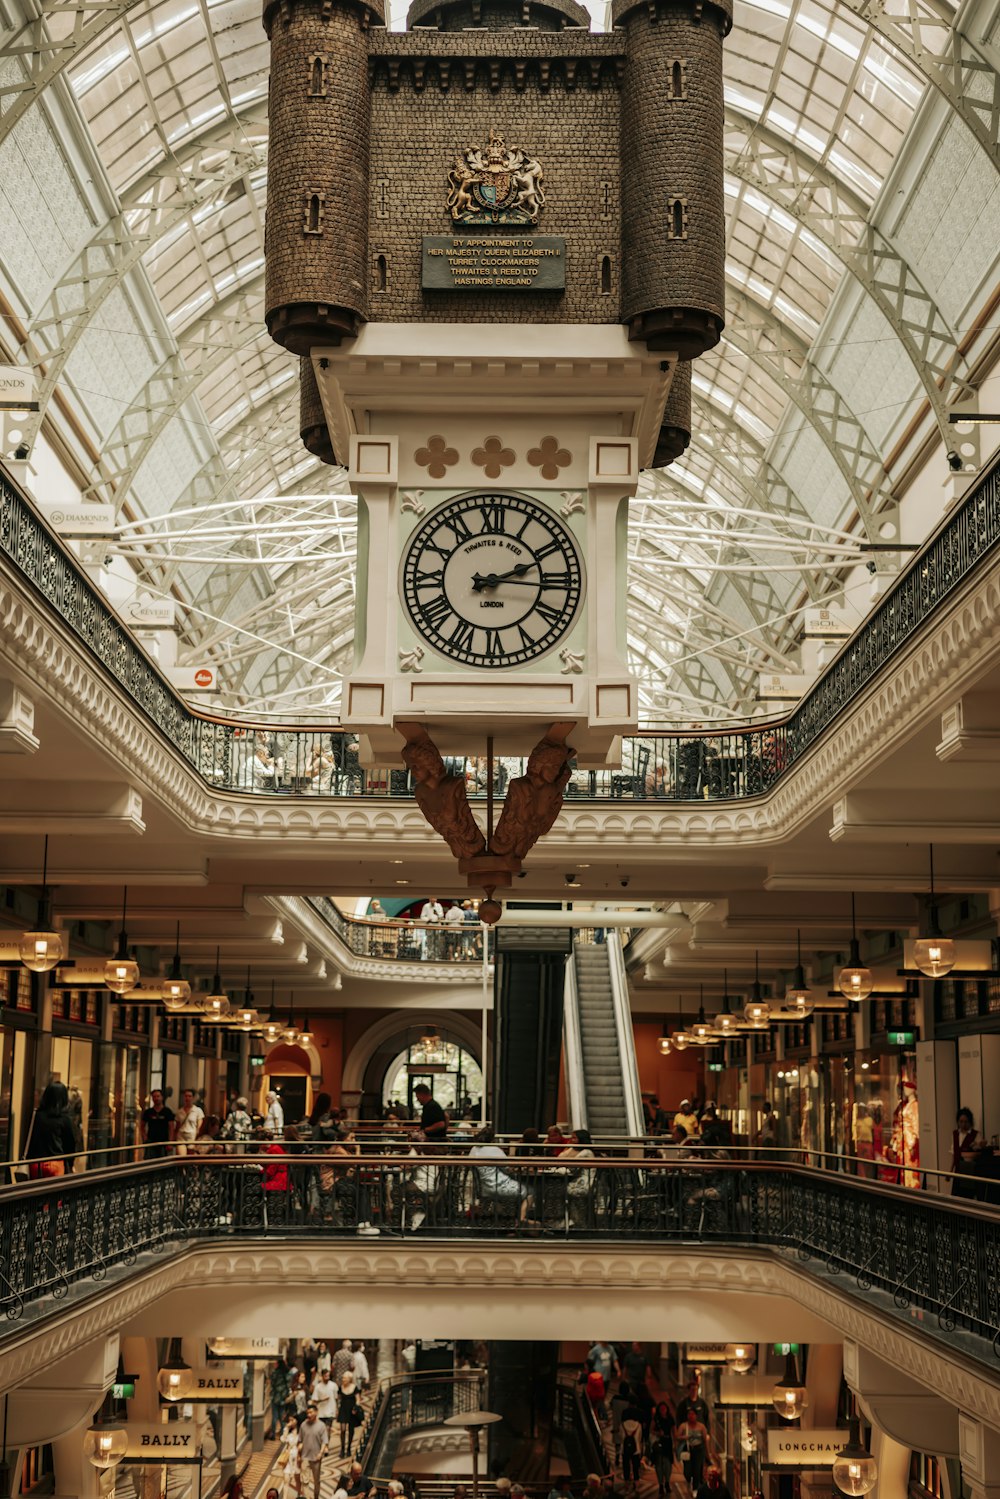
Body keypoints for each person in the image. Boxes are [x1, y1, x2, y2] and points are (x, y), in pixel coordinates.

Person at [25, 1082, 76, 1178]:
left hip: (35, 1164)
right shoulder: (64, 1119)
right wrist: (70, 1164)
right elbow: (70, 1144)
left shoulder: (37, 1116)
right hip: (55, 1163)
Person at [674, 1408, 714, 1491]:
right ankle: (689, 1482)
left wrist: (707, 1454)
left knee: (697, 1470)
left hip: (699, 1450)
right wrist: (684, 1437)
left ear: (696, 1416)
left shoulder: (701, 1426)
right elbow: (677, 1436)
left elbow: (705, 1441)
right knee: (687, 1471)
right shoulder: (683, 1426)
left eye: (693, 1414)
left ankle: (695, 1490)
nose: (691, 1416)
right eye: (689, 1414)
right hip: (688, 1450)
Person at [298, 1406, 329, 1499]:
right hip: (305, 1457)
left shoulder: (321, 1426)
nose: (309, 1415)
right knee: (304, 1481)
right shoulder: (303, 1425)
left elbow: (324, 1441)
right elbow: (300, 1440)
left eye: (311, 1412)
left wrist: (320, 1453)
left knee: (316, 1481)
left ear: (316, 1412)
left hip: (316, 1458)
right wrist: (298, 1455)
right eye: (307, 1413)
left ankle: (316, 1497)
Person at [951, 1105, 981, 1196]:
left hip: (969, 1171)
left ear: (970, 1122)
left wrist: (978, 1145)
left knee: (967, 1196)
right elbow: (954, 1154)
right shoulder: (955, 1134)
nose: (963, 1124)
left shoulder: (975, 1134)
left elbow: (979, 1151)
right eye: (961, 1122)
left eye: (966, 1122)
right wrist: (950, 1172)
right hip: (958, 1171)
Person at [140, 1088, 174, 1160]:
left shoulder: (167, 1111)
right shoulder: (148, 1112)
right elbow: (142, 1126)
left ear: (162, 1097)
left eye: (158, 1096)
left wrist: (170, 1142)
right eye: (154, 1097)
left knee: (163, 1162)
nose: (156, 1098)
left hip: (164, 1142)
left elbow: (171, 1127)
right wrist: (145, 1137)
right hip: (151, 1141)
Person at [650, 1399, 674, 1495]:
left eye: (664, 1408)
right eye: (661, 1408)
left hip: (668, 1442)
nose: (663, 1410)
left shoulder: (670, 1419)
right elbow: (651, 1430)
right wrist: (658, 1433)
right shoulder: (656, 1419)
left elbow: (674, 1431)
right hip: (659, 1442)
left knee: (668, 1464)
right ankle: (661, 1484)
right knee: (659, 1464)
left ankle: (667, 1482)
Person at [267, 1357, 293, 1439]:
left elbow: (272, 1383)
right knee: (282, 1415)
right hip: (283, 1396)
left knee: (274, 1416)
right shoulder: (287, 1372)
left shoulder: (275, 1373)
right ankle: (282, 1433)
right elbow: (289, 1383)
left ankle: (273, 1434)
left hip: (275, 1396)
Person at [173, 1088, 204, 1155]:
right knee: (182, 1156)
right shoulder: (179, 1111)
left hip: (192, 1136)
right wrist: (174, 1137)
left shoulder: (197, 1110)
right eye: (186, 1096)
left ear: (193, 1098)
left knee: (190, 1157)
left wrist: (197, 1138)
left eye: (189, 1096)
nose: (187, 1098)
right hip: (181, 1136)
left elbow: (199, 1126)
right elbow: (177, 1126)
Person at [280, 1414, 303, 1497]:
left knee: (298, 1479)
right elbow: (283, 1439)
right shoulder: (287, 1430)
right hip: (288, 1457)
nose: (290, 1422)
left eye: (292, 1420)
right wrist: (287, 1428)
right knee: (286, 1480)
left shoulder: (301, 1431)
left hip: (297, 1457)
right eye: (289, 1420)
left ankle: (299, 1496)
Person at [338, 1368, 359, 1457]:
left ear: (349, 1379)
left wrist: (356, 1408)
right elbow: (338, 1399)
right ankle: (342, 1448)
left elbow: (358, 1399)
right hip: (343, 1409)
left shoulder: (354, 1388)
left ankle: (349, 1448)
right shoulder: (341, 1387)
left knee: (351, 1430)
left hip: (351, 1411)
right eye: (343, 1378)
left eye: (345, 1378)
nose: (343, 1380)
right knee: (342, 1429)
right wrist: (336, 1409)